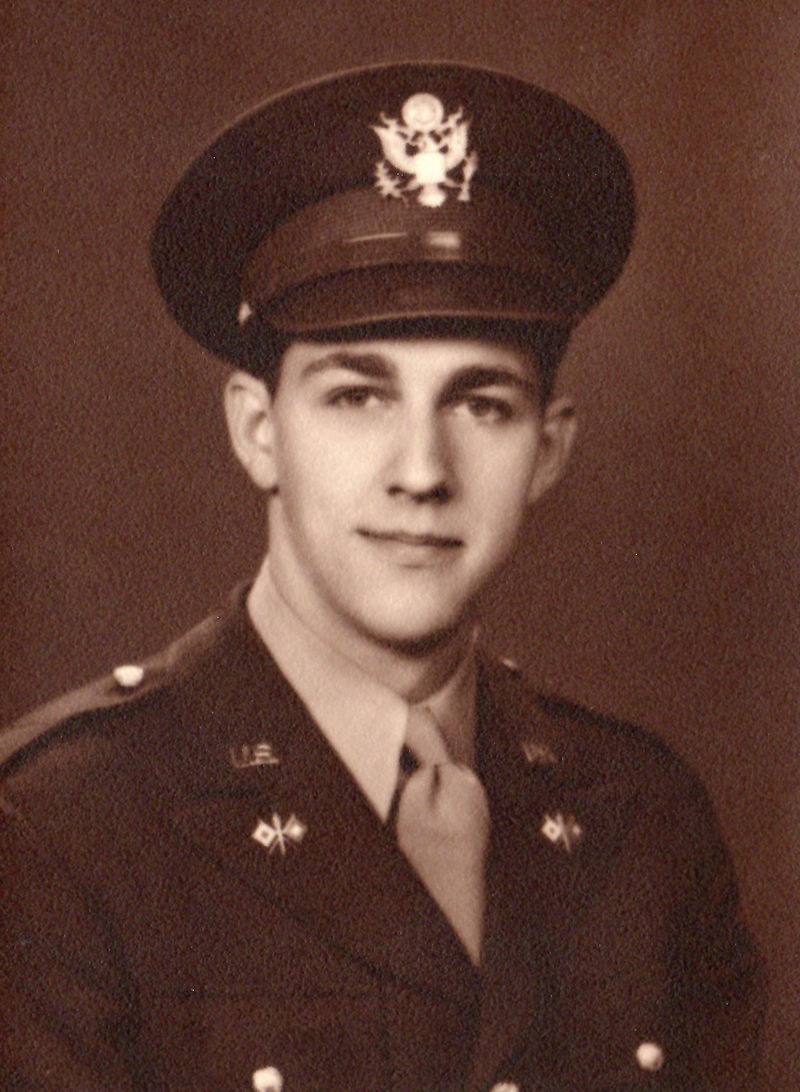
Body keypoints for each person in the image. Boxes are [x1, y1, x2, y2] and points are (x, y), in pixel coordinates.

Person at [0, 63, 764, 1091]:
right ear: (259, 431)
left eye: (481, 404)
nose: (420, 472)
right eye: (357, 397)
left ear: (547, 450)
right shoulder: (61, 832)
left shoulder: (645, 820)